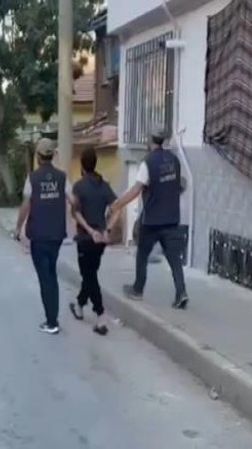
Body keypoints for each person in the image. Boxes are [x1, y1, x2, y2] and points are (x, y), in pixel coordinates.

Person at [108, 129, 189, 309]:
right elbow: (179, 185)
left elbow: (136, 189)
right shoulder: (174, 160)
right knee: (174, 258)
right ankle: (181, 292)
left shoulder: (148, 162)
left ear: (150, 140)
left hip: (152, 220)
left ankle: (137, 289)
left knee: (142, 254)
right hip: (172, 218)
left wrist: (117, 205)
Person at [14, 138, 72, 335]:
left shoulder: (32, 178)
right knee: (51, 274)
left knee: (45, 278)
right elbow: (74, 200)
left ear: (38, 156)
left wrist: (18, 228)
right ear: (52, 155)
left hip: (38, 235)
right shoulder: (62, 177)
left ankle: (51, 322)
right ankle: (52, 317)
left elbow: (26, 205)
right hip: (56, 235)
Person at [69, 148, 120, 336]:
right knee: (90, 274)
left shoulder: (79, 186)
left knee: (89, 277)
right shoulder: (104, 186)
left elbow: (75, 212)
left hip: (86, 238)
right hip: (100, 241)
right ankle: (79, 304)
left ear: (82, 166)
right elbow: (118, 208)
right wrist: (107, 229)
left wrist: (90, 231)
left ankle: (101, 317)